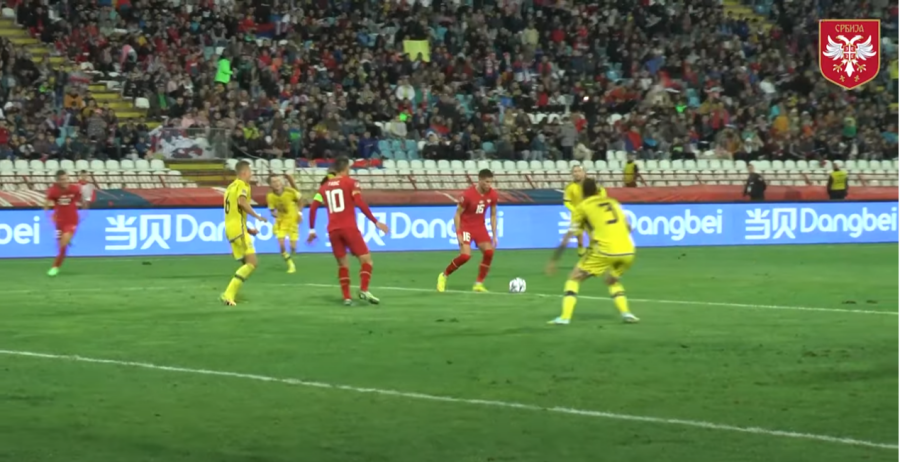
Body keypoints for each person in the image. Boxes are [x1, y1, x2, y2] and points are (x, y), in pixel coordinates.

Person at [545, 178, 639, 325]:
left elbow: (569, 236)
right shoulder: (613, 202)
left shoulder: (583, 207)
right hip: (628, 250)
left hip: (604, 250)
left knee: (574, 278)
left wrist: (554, 260)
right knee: (612, 280)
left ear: (582, 192)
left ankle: (565, 317)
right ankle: (627, 313)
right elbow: (629, 227)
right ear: (597, 190)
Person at [308, 157, 390, 305]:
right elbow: (359, 202)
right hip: (349, 228)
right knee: (366, 260)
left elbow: (313, 208)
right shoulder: (351, 183)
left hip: (333, 230)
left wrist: (312, 230)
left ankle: (347, 298)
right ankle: (363, 289)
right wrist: (375, 221)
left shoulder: (324, 187)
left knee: (342, 264)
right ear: (346, 168)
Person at [437, 169, 499, 293]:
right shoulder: (468, 195)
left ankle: (478, 284)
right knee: (465, 256)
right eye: (486, 182)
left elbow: (493, 215)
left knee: (489, 252)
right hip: (466, 227)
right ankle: (444, 275)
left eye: (490, 182)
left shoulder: (492, 195)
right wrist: (458, 233)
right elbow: (457, 215)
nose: (489, 185)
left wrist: (494, 235)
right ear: (480, 180)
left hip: (480, 227)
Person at [221, 161, 268, 306]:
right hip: (238, 230)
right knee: (252, 263)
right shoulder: (242, 185)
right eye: (250, 172)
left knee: (246, 263)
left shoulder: (230, 188)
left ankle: (231, 294)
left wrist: (248, 229)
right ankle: (228, 294)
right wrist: (257, 216)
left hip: (231, 229)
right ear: (244, 172)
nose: (251, 175)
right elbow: (241, 202)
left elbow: (234, 213)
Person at [44, 170, 85, 276]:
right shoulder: (53, 191)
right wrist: (50, 215)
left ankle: (55, 267)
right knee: (61, 248)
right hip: (59, 222)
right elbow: (46, 204)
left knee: (63, 244)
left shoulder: (74, 189)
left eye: (67, 179)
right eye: (62, 179)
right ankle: (68, 239)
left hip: (72, 220)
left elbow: (80, 199)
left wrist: (82, 211)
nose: (65, 181)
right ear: (58, 181)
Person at [266, 175, 303, 273]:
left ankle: (292, 252)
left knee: (293, 248)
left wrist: (300, 213)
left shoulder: (290, 192)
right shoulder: (270, 196)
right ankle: (291, 265)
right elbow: (272, 209)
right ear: (270, 185)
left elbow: (301, 201)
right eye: (274, 182)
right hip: (281, 222)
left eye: (278, 181)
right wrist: (273, 213)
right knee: (281, 245)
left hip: (293, 221)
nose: (277, 183)